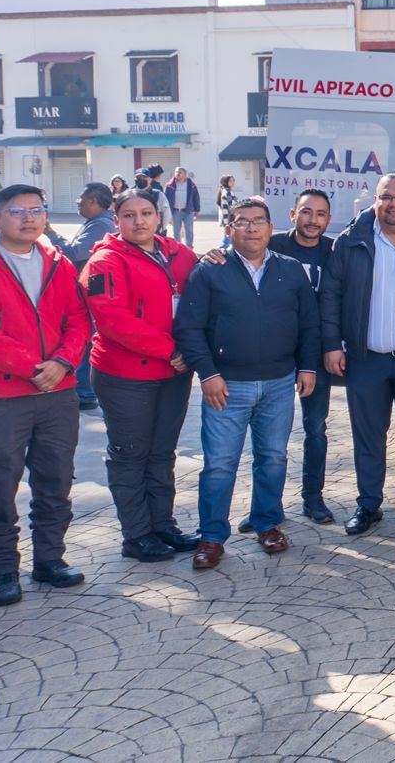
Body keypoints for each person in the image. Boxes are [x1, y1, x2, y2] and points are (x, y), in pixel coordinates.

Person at [174, 198, 320, 570]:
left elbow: (309, 325)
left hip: (279, 383)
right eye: (242, 222)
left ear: (271, 228)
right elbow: (188, 328)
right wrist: (207, 373)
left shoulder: (291, 270)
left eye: (259, 221)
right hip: (226, 385)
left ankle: (266, 522)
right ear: (229, 229)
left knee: (273, 457)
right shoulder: (210, 271)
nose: (252, 228)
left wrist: (308, 367)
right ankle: (211, 536)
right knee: (220, 464)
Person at [319, 172, 395, 537]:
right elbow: (331, 295)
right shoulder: (352, 240)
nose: (394, 204)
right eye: (387, 197)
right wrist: (330, 344)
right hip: (365, 358)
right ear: (375, 199)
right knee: (369, 435)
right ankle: (368, 504)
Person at [84, 189, 200, 561]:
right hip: (126, 376)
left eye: (146, 213)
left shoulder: (178, 253)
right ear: (116, 220)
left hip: (174, 373)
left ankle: (163, 525)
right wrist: (171, 351)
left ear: (158, 215)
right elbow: (113, 320)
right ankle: (136, 535)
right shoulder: (105, 261)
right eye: (129, 215)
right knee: (131, 454)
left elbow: (205, 291)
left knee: (162, 453)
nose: (139, 221)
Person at [0, 185, 90, 607]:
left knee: (55, 481)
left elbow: (79, 320)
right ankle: (1, 569)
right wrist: (33, 366)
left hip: (58, 392)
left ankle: (49, 559)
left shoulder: (58, 263)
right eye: (17, 211)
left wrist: (64, 363)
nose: (28, 218)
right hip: (3, 394)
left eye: (36, 210)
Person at [269, 189, 339, 524]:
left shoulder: (334, 251)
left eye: (321, 214)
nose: (313, 220)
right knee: (270, 435)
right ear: (293, 214)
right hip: (274, 351)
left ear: (329, 218)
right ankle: (265, 504)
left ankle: (313, 498)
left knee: (315, 428)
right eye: (306, 212)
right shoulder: (273, 246)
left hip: (315, 351)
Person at [43, 182, 116, 412]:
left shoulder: (100, 224)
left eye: (81, 199)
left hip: (93, 290)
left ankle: (84, 392)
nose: (78, 203)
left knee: (85, 339)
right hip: (95, 288)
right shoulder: (98, 222)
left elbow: (74, 253)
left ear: (94, 201)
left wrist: (51, 233)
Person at [164, 167, 201, 248]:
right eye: (176, 172)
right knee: (176, 231)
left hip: (188, 211)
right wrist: (166, 212)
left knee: (189, 231)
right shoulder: (169, 185)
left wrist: (197, 210)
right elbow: (165, 199)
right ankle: (178, 248)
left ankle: (189, 248)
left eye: (180, 172)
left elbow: (196, 197)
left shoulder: (191, 185)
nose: (177, 174)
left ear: (185, 174)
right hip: (176, 211)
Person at [216, 176, 237, 249]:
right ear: (225, 182)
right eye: (230, 181)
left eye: (233, 180)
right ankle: (221, 251)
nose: (233, 182)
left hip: (227, 219)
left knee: (229, 238)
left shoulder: (224, 190)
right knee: (227, 239)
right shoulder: (228, 192)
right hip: (229, 219)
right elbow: (232, 207)